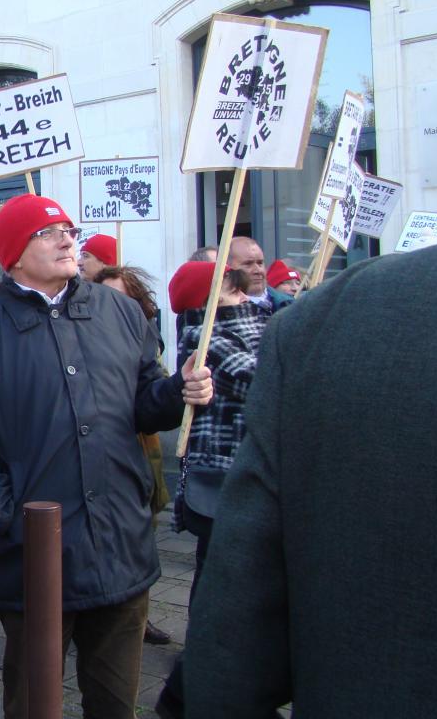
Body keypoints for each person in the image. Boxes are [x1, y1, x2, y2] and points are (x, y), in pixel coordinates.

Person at [0, 195, 213, 719]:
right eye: (48, 232)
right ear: (14, 252)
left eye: (68, 228)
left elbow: (145, 402)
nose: (66, 238)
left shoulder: (121, 311)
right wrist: (8, 511)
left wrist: (178, 391)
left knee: (115, 703)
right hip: (36, 556)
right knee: (34, 702)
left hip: (120, 544)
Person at [183, 241, 437, 717]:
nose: (245, 289)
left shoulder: (326, 313)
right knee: (212, 558)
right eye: (230, 284)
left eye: (244, 279)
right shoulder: (290, 325)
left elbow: (230, 663)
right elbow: (235, 622)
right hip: (224, 461)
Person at [154, 261, 267, 719]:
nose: (245, 299)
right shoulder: (206, 340)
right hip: (220, 481)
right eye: (233, 293)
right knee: (220, 587)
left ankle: (192, 684)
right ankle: (188, 688)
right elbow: (260, 378)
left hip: (248, 480)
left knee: (232, 588)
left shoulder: (259, 325)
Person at [94, 265, 172, 647]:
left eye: (119, 298)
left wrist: (175, 391)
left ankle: (138, 612)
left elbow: (151, 392)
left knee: (141, 530)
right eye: (103, 297)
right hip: (100, 456)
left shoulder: (142, 335)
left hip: (139, 447)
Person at [228, 236, 292, 314]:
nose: (258, 270)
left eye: (260, 263)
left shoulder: (289, 304)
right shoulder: (219, 311)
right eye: (248, 264)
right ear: (227, 267)